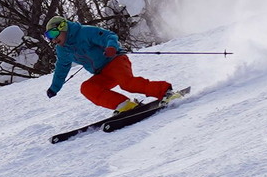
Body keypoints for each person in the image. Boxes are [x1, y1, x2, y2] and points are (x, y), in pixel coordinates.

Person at [42, 15, 174, 113]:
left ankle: (165, 91)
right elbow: (61, 68)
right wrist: (54, 88)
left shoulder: (84, 32)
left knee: (127, 84)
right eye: (49, 36)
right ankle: (124, 105)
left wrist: (111, 47)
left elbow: (109, 36)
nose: (53, 39)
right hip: (102, 73)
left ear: (63, 27)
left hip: (115, 61)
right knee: (88, 87)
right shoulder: (62, 49)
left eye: (53, 33)